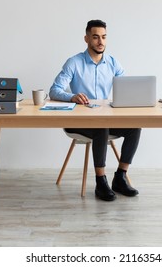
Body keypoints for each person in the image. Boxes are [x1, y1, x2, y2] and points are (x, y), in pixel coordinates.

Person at [49, 19, 141, 201]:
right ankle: (101, 181)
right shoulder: (74, 62)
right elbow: (54, 90)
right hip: (79, 122)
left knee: (135, 127)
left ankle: (120, 177)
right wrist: (72, 96)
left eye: (104, 37)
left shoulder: (113, 62)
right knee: (101, 127)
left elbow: (127, 87)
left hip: (105, 118)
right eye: (96, 37)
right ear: (86, 39)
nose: (101, 42)